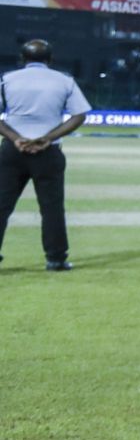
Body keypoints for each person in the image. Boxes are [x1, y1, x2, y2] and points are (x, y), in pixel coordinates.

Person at [0, 39, 93, 271]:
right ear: (50, 60)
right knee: (51, 208)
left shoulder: (6, 79)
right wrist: (47, 138)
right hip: (48, 153)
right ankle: (56, 259)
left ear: (22, 59)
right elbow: (79, 115)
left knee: (1, 205)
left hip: (12, 151)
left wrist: (16, 138)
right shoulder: (64, 81)